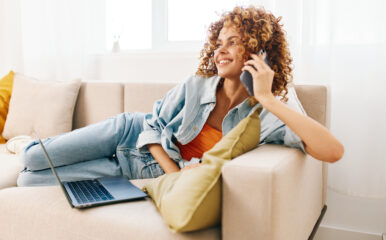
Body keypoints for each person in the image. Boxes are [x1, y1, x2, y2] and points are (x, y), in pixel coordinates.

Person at [17, 6, 344, 187]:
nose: (220, 50)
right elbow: (152, 127)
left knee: (29, 182)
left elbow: (332, 151)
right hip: (127, 134)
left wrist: (269, 98)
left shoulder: (265, 116)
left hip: (132, 171)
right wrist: (174, 175)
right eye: (219, 43)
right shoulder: (196, 85)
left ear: (258, 50)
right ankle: (21, 142)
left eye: (232, 42)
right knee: (31, 159)